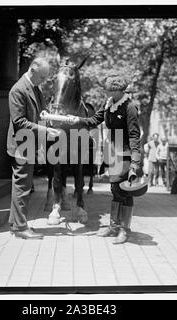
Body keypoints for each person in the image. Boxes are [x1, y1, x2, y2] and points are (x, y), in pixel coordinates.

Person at [67, 74, 141, 244]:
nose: (106, 92)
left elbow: (134, 136)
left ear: (116, 90)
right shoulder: (109, 104)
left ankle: (124, 230)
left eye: (108, 89)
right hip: (113, 152)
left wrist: (135, 163)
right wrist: (77, 120)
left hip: (126, 154)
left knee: (125, 191)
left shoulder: (130, 107)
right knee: (115, 190)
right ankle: (114, 226)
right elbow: (95, 120)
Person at [7, 57, 61, 240]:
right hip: (21, 145)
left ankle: (16, 224)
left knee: (23, 185)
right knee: (22, 186)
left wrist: (51, 118)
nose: (44, 81)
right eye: (42, 77)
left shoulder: (34, 87)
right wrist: (45, 130)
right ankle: (20, 227)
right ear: (32, 70)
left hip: (28, 143)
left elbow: (41, 112)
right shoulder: (18, 89)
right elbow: (19, 121)